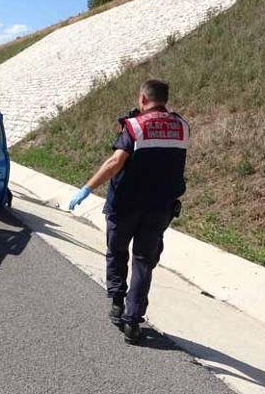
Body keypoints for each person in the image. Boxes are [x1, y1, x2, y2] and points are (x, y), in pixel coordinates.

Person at [68, 79, 189, 344]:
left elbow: (115, 161)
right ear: (164, 99)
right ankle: (133, 321)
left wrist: (87, 188)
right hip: (160, 209)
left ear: (143, 99)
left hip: (125, 206)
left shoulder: (135, 126)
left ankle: (116, 303)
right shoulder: (182, 126)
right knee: (144, 262)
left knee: (117, 252)